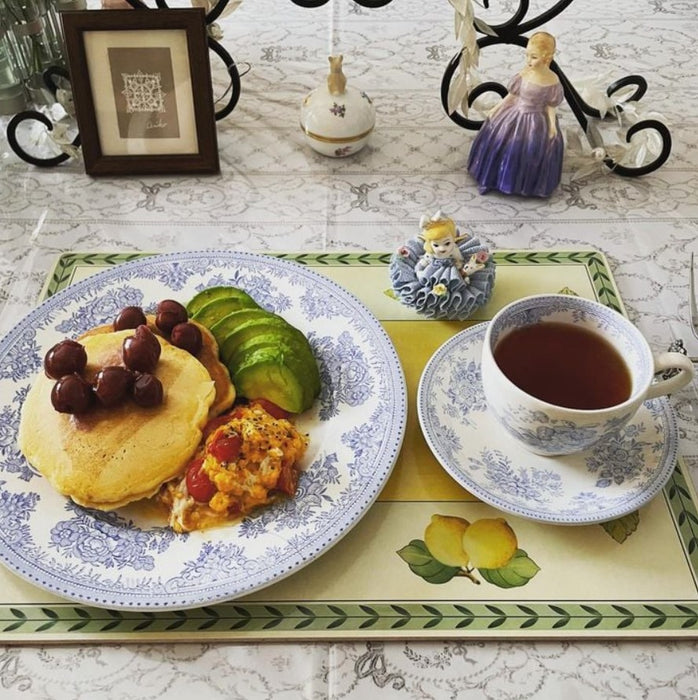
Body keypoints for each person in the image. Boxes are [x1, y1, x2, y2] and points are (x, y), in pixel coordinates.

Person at [467, 31, 564, 197]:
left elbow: (550, 107)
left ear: (547, 58)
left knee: (531, 149)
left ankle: (527, 185)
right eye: (527, 55)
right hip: (514, 115)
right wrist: (496, 109)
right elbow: (511, 96)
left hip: (536, 122)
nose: (528, 61)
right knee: (500, 142)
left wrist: (552, 126)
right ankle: (491, 179)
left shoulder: (552, 80)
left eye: (534, 57)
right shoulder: (524, 74)